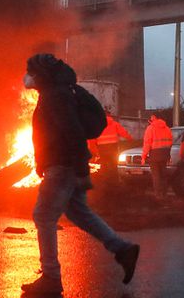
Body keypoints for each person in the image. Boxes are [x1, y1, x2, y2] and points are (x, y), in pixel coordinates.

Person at [21, 53, 139, 296]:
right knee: (78, 212)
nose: (28, 77)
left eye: (31, 72)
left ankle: (51, 278)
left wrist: (81, 168)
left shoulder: (55, 96)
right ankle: (123, 249)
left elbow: (72, 131)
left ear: (42, 74)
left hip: (62, 166)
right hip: (64, 164)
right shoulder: (59, 92)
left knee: (43, 216)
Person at [92, 110, 132, 188]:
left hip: (102, 148)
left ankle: (104, 183)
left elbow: (92, 138)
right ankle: (114, 182)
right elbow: (123, 132)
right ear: (109, 116)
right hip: (113, 147)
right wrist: (130, 139)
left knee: (103, 166)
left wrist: (94, 150)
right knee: (113, 165)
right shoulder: (114, 124)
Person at [142, 111, 173, 200]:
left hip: (154, 154)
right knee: (163, 175)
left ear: (154, 117)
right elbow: (170, 142)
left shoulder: (150, 128)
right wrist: (168, 154)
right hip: (165, 154)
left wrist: (144, 157)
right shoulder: (167, 128)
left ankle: (158, 195)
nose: (150, 118)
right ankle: (164, 194)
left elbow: (147, 143)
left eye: (151, 117)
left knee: (156, 175)